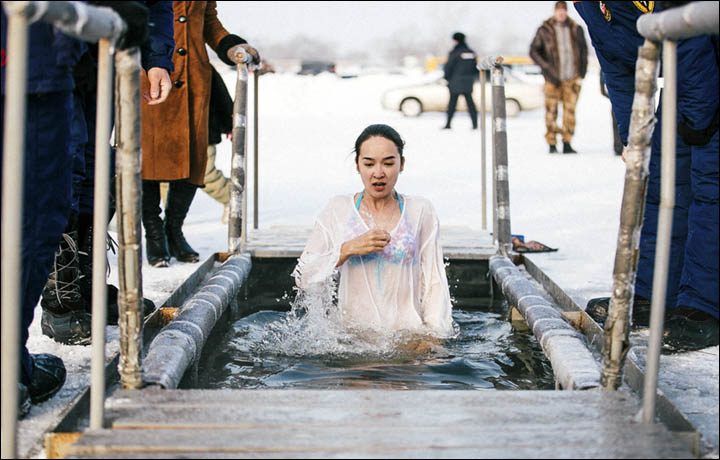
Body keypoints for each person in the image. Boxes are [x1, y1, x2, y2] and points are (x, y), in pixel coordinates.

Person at [574, 1, 718, 351]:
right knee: (661, 184)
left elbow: (691, 41)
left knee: (709, 187)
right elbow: (619, 72)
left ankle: (704, 307)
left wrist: (700, 121)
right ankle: (655, 295)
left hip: (704, 74)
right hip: (686, 80)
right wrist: (632, 135)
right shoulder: (590, 7)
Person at [39, 1, 175, 346]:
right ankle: (59, 301)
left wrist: (157, 57)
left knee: (94, 171)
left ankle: (85, 285)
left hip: (105, 54)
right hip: (53, 48)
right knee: (64, 166)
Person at [293, 124, 455, 337]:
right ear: (357, 165)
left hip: (408, 338)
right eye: (369, 163)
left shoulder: (420, 211)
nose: (378, 173)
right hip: (353, 338)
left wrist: (434, 337)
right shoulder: (338, 209)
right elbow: (304, 277)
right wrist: (346, 250)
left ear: (402, 164)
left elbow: (435, 281)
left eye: (388, 163)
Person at [141, 1, 259, 267]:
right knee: (147, 160)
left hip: (195, 81)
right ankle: (154, 234)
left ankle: (174, 229)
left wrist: (232, 46)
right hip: (150, 75)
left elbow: (209, 23)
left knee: (196, 159)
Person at [530, 0, 588, 154]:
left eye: (563, 10)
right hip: (552, 79)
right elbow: (534, 51)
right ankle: (552, 143)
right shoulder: (544, 30)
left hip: (572, 78)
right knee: (551, 112)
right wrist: (547, 68)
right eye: (558, 10)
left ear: (567, 11)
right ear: (554, 11)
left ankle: (567, 142)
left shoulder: (576, 29)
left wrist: (582, 72)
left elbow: (584, 51)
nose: (561, 12)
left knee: (570, 112)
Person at [442, 32, 479, 130]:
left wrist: (446, 78)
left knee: (452, 104)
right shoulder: (471, 52)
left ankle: (448, 124)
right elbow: (475, 67)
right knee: (470, 104)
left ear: (455, 40)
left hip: (455, 82)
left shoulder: (455, 52)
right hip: (468, 82)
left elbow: (448, 66)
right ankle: (475, 124)